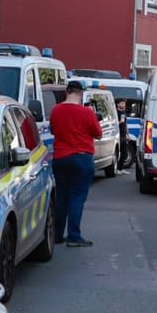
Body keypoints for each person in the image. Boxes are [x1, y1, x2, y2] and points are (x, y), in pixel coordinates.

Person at [47, 80, 103, 247]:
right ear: (80, 93)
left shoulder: (55, 110)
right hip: (81, 158)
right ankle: (74, 235)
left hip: (60, 159)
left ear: (67, 92)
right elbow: (98, 134)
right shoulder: (86, 113)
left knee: (62, 197)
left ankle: (56, 235)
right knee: (77, 197)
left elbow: (53, 130)